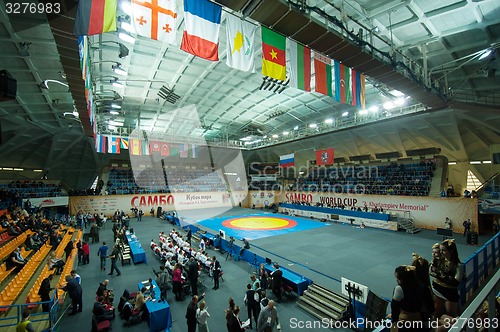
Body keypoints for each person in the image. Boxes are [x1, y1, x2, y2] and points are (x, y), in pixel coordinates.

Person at [433, 239, 463, 317]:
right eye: (441, 250)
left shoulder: (457, 265)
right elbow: (431, 271)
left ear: (451, 251)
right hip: (437, 288)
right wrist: (446, 277)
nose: (441, 252)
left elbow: (456, 281)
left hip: (449, 291)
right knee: (437, 311)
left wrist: (440, 274)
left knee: (451, 313)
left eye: (444, 250)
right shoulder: (438, 260)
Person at [391, 265, 423, 330]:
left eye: (398, 278)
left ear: (404, 279)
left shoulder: (399, 289)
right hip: (421, 319)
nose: (397, 280)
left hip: (406, 321)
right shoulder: (421, 286)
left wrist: (394, 322)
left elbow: (394, 307)